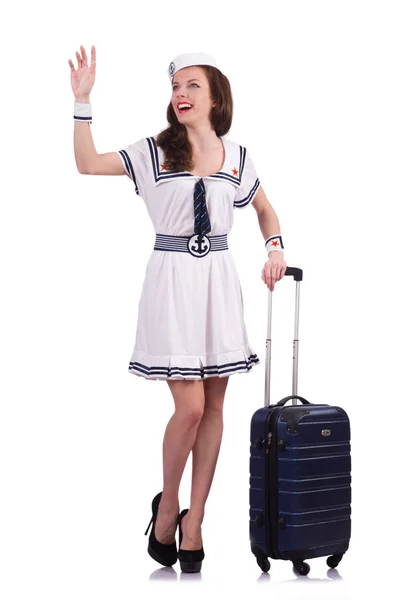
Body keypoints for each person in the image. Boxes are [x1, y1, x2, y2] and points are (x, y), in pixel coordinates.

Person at [69, 46, 287, 573]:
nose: (180, 94)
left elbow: (262, 208)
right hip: (172, 281)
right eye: (175, 87)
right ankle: (168, 506)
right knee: (188, 408)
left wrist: (275, 247)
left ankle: (196, 521)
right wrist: (82, 102)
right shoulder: (154, 150)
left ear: (215, 96)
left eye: (192, 85)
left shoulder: (237, 156)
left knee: (214, 409)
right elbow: (87, 164)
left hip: (218, 279)